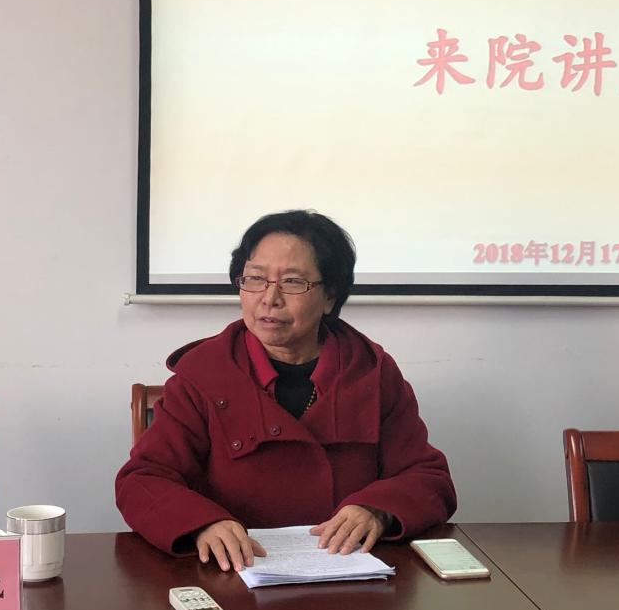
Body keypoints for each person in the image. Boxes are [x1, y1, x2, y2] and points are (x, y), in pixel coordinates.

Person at [115, 210, 456, 571]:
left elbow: (428, 477)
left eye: (293, 282)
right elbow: (143, 479)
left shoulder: (371, 370)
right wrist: (202, 524)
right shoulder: (203, 373)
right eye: (255, 279)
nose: (269, 298)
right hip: (236, 574)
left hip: (349, 574)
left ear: (330, 296)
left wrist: (377, 509)